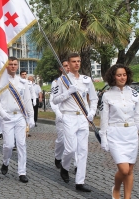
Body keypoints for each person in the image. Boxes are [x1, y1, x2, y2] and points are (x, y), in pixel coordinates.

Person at [99, 64, 139, 199]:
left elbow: (138, 116)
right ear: (113, 77)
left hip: (131, 134)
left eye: (124, 75)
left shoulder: (133, 93)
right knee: (124, 169)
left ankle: (127, 197)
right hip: (115, 134)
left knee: (130, 170)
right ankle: (116, 188)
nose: (122, 78)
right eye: (119, 75)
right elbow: (104, 119)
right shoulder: (107, 95)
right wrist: (103, 137)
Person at [52, 53, 97, 192]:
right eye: (73, 62)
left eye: (78, 61)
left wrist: (92, 112)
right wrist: (68, 93)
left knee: (83, 150)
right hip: (69, 117)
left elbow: (94, 98)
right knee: (70, 149)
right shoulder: (62, 80)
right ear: (69, 65)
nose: (77, 64)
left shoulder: (86, 79)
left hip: (83, 117)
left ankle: (80, 182)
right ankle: (64, 168)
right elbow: (54, 100)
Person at [0, 56, 35, 183]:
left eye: (15, 64)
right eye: (10, 64)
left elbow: (27, 100)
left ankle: (22, 172)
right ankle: (5, 162)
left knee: (21, 144)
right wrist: (2, 113)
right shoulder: (0, 82)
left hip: (20, 116)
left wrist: (31, 117)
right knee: (8, 145)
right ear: (7, 66)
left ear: (17, 66)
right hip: (7, 116)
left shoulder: (23, 82)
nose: (13, 66)